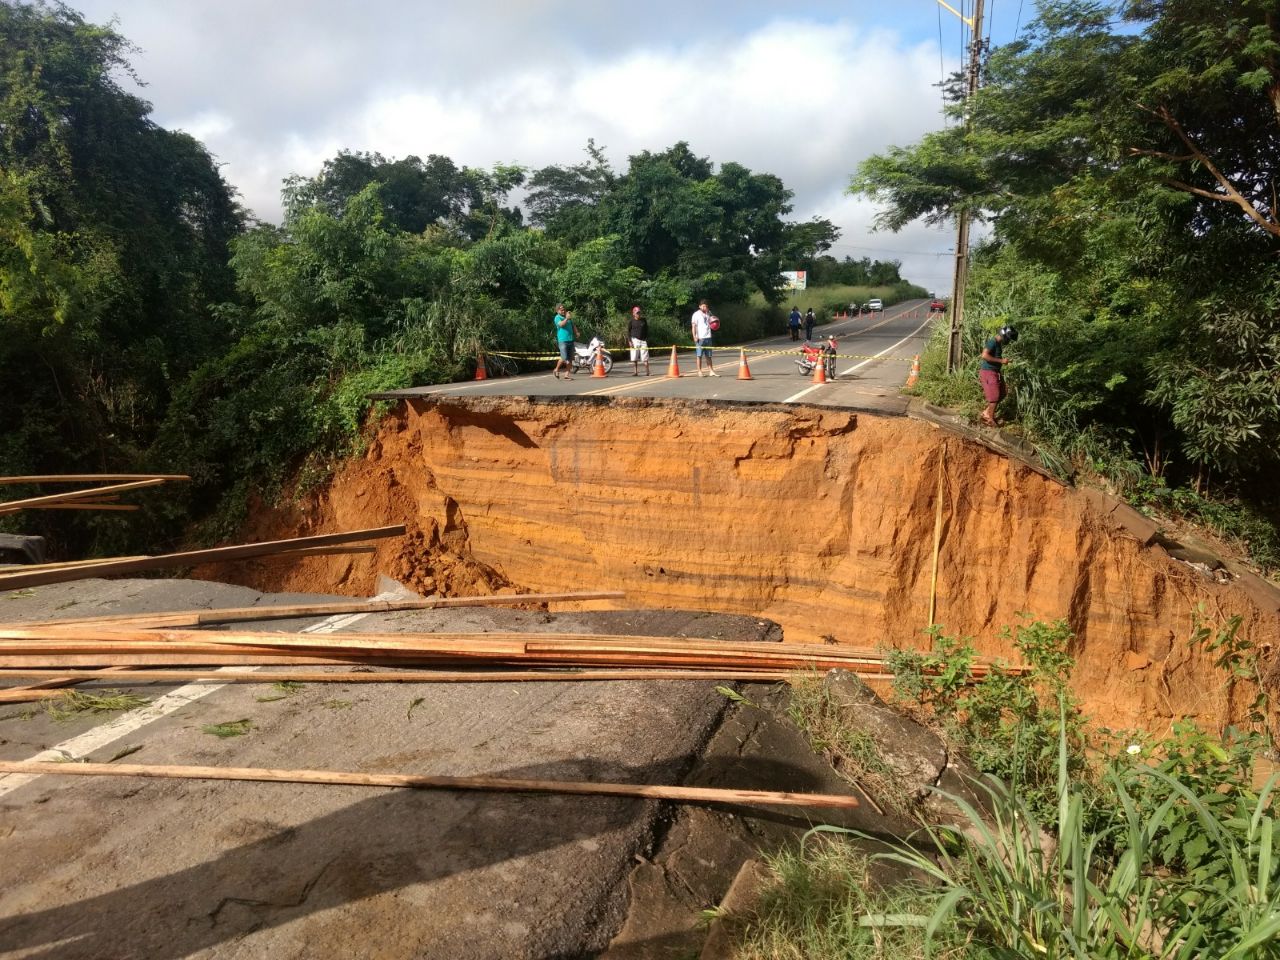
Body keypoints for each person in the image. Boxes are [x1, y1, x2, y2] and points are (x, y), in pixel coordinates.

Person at [979, 324, 1017, 426]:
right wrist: (1001, 361)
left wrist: (1003, 361)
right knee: (994, 397)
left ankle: (987, 412)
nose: (1008, 342)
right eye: (1008, 340)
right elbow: (984, 355)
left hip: (995, 372)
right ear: (1005, 336)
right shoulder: (993, 342)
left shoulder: (998, 344)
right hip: (988, 372)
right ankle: (990, 419)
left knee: (1003, 392)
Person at [691, 300, 719, 376]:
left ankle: (711, 371)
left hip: (708, 337)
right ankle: (699, 371)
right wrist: (694, 336)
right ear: (699, 306)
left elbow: (714, 322)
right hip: (700, 338)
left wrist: (715, 323)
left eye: (706, 306)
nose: (705, 307)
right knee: (699, 355)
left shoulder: (708, 313)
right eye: (703, 306)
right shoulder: (696, 314)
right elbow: (693, 326)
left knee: (709, 355)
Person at [552, 303, 576, 380]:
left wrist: (577, 332)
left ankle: (567, 375)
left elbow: (573, 325)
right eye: (561, 309)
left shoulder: (568, 317)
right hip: (563, 340)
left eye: (564, 309)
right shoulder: (557, 318)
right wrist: (566, 318)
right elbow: (561, 325)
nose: (563, 311)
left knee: (571, 358)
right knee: (564, 357)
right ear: (557, 310)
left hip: (570, 340)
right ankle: (556, 369)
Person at [627, 305, 650, 376]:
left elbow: (646, 330)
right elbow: (628, 332)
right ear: (633, 313)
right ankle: (635, 372)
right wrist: (630, 341)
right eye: (637, 313)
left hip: (643, 340)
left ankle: (647, 371)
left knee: (645, 357)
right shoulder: (631, 321)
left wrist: (646, 339)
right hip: (634, 340)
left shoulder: (644, 320)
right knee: (634, 357)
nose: (638, 314)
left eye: (639, 312)